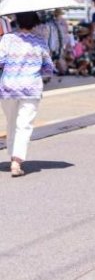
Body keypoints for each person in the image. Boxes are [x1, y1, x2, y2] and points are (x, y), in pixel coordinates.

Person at [0, 12, 55, 177]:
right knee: (24, 125)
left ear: (17, 21)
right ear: (35, 23)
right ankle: (17, 162)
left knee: (11, 124)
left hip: (9, 87)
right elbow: (48, 68)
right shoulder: (40, 41)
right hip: (31, 88)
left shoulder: (8, 39)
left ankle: (12, 157)